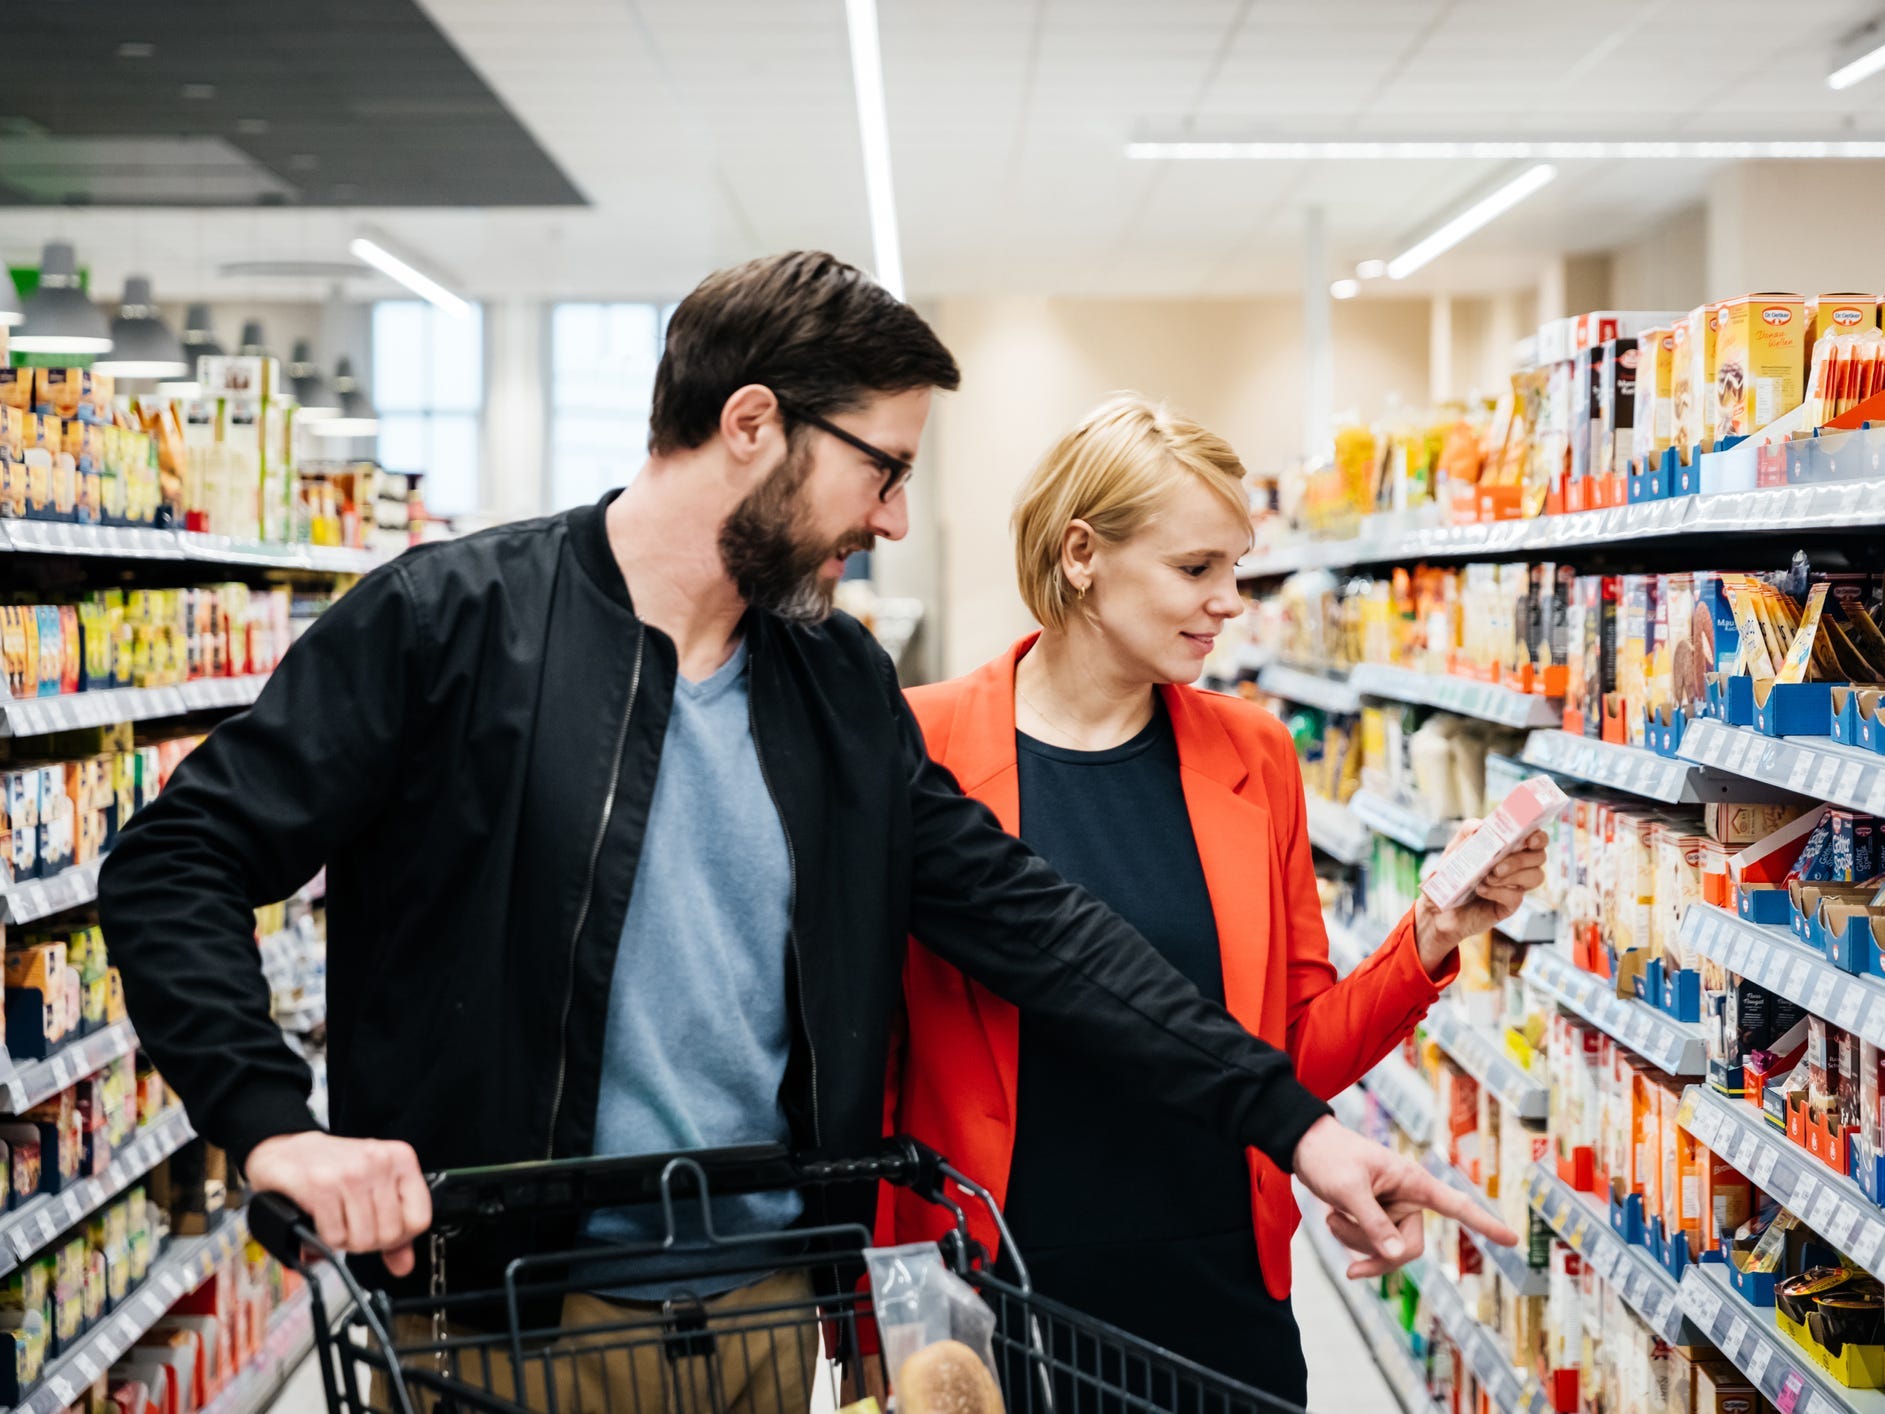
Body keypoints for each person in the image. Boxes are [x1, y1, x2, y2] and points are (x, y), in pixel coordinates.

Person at [98, 253, 1514, 1411]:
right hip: (508, 1318)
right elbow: (178, 860)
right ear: (756, 424)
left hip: (777, 1305)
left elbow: (1031, 923)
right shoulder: (449, 624)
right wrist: (274, 1124)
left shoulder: (830, 681)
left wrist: (1295, 1126)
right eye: (881, 469)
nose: (896, 516)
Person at [881, 394, 1548, 1407]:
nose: (1231, 598)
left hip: (1215, 1290)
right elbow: (872, 1055)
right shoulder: (919, 744)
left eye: (1236, 565)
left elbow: (1289, 1056)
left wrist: (1428, 935)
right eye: (1196, 568)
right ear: (1080, 555)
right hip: (988, 1294)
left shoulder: (1253, 754)